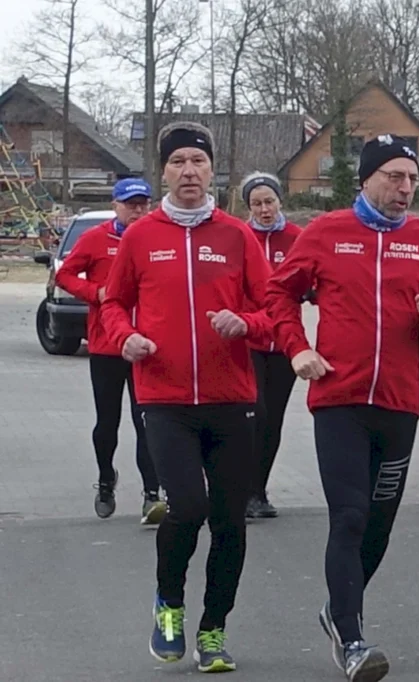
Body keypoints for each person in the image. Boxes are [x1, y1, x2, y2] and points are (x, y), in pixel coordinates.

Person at [265, 133, 419, 682]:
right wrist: (298, 348)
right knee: (351, 515)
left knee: (378, 525)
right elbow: (277, 294)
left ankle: (338, 608)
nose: (405, 188)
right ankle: (353, 638)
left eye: (412, 179)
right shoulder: (327, 233)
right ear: (367, 178)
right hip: (339, 399)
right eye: (394, 177)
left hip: (400, 404)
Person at [100, 121, 274, 674]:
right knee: (187, 507)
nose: (189, 171)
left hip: (231, 399)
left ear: (212, 170)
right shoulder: (141, 236)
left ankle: (214, 627)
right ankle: (169, 603)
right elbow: (111, 303)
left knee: (229, 522)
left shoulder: (237, 236)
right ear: (164, 172)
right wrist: (125, 337)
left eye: (198, 161)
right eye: (178, 163)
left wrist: (243, 323)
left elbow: (273, 309)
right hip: (164, 397)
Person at [54, 178, 166, 524]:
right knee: (108, 422)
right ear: (116, 205)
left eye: (143, 204)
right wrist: (95, 293)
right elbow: (65, 274)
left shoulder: (155, 237)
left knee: (146, 421)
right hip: (106, 346)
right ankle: (105, 480)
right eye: (131, 204)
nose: (138, 210)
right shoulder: (95, 239)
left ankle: (152, 494)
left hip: (146, 346)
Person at [239, 172, 303, 520]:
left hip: (284, 342)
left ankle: (258, 490)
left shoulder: (297, 237)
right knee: (254, 414)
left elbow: (314, 278)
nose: (264, 210)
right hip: (247, 339)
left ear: (280, 201)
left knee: (272, 419)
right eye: (256, 204)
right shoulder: (239, 236)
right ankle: (239, 486)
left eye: (269, 202)